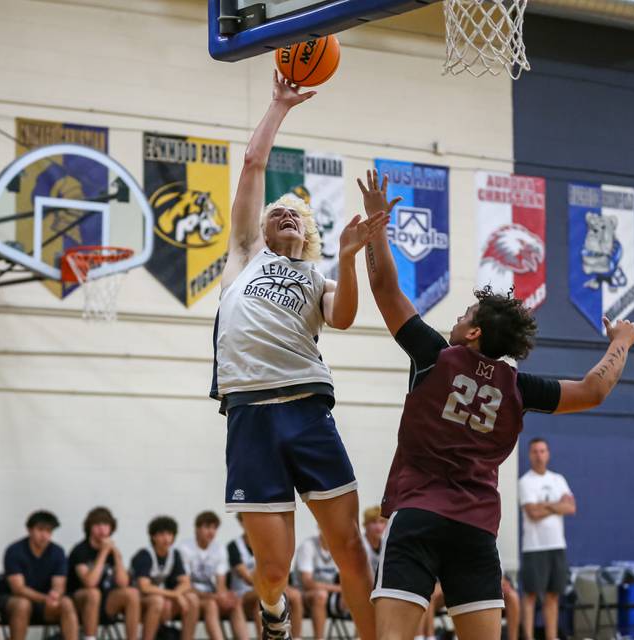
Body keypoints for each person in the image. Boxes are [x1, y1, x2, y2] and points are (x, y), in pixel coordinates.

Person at [357, 169, 634, 640]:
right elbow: (594, 390)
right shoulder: (519, 387)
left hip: (420, 515)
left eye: (465, 315)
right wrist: (622, 342)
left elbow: (386, 289)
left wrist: (376, 226)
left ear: (474, 333)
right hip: (475, 528)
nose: (458, 318)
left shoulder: (434, 356)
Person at [210, 72, 387, 640]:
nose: (286, 212)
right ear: (258, 227)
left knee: (351, 549)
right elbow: (254, 165)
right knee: (273, 568)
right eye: (275, 211)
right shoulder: (243, 257)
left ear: (308, 232)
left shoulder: (316, 277)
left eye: (296, 213)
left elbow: (343, 318)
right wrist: (279, 105)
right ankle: (272, 611)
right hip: (250, 415)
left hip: (307, 410)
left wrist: (350, 258)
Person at [519, 438, 576, 640]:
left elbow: (570, 507)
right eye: (535, 451)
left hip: (556, 545)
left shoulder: (558, 479)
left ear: (548, 454)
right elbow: (532, 512)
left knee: (553, 595)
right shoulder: (525, 481)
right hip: (534, 547)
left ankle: (551, 637)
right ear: (529, 455)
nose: (539, 455)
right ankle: (528, 636)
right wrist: (556, 505)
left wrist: (545, 506)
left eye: (542, 451)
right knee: (531, 594)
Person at [0, 510, 78, 640]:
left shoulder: (57, 552)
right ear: (30, 530)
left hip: (45, 603)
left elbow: (59, 583)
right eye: (40, 530)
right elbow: (18, 588)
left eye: (48, 531)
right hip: (15, 600)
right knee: (23, 605)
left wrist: (55, 594)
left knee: (66, 602)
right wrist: (44, 598)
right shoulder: (14, 551)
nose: (44, 535)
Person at [67, 507, 140, 640]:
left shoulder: (112, 552)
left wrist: (117, 557)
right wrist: (103, 553)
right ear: (89, 527)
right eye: (97, 525)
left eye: (106, 525)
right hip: (78, 603)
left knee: (132, 593)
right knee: (93, 593)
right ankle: (90, 638)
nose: (102, 529)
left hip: (105, 601)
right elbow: (89, 582)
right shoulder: (80, 550)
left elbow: (123, 583)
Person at [227, 516, 304, 638]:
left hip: (264, 588)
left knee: (295, 595)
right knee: (263, 594)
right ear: (241, 523)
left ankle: (296, 636)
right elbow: (247, 577)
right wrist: (271, 585)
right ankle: (265, 636)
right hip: (243, 593)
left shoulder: (266, 544)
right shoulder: (234, 546)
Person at [178, 511, 248, 640]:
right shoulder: (185, 548)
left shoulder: (219, 549)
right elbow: (185, 585)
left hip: (209, 594)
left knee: (234, 603)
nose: (211, 532)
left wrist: (223, 596)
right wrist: (214, 596)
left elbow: (220, 584)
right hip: (188, 594)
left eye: (214, 528)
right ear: (197, 529)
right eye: (207, 527)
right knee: (210, 604)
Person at [131, 516, 199, 640]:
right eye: (161, 534)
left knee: (192, 598)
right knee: (157, 601)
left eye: (169, 534)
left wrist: (176, 594)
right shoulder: (144, 555)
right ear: (153, 537)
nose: (166, 538)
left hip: (162, 598)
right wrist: (175, 595)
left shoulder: (174, 554)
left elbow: (186, 583)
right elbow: (144, 587)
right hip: (139, 601)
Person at [296, 532, 343, 640]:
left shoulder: (339, 547)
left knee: (360, 595)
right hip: (302, 594)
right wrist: (338, 589)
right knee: (320, 595)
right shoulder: (308, 546)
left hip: (330, 595)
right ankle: (319, 638)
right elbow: (307, 583)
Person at [361, 507, 386, 577]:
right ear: (365, 524)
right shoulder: (359, 545)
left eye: (382, 521)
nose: (378, 527)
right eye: (373, 522)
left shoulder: (388, 545)